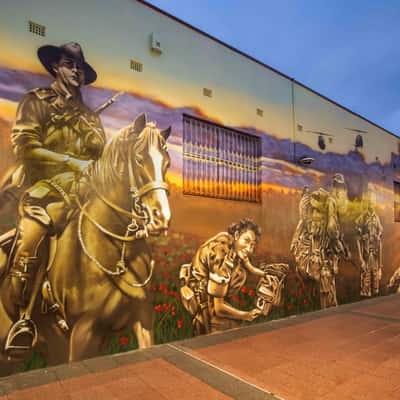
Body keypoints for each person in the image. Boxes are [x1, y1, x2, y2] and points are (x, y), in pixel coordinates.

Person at [5, 42, 106, 352]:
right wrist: (71, 161)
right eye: (68, 63)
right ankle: (23, 318)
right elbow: (24, 146)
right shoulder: (36, 101)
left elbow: (102, 158)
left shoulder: (90, 117)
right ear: (55, 67)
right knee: (33, 234)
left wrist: (96, 146)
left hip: (83, 194)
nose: (75, 71)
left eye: (79, 67)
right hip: (42, 190)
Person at [180, 218, 287, 334]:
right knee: (233, 330)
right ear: (237, 235)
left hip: (207, 291)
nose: (249, 249)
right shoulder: (222, 258)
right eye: (246, 240)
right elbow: (219, 309)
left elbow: (248, 266)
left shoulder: (230, 241)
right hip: (202, 299)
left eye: (252, 245)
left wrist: (266, 275)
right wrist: (246, 315)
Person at [291, 174, 350, 308]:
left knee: (324, 293)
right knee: (326, 293)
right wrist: (341, 250)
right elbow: (334, 238)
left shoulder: (325, 213)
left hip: (317, 261)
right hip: (320, 263)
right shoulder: (328, 213)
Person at [356, 188, 383, 297]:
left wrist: (380, 266)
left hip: (375, 256)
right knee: (365, 286)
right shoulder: (362, 218)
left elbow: (380, 241)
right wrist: (361, 259)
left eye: (373, 201)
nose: (371, 203)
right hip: (366, 257)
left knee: (375, 286)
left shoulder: (377, 219)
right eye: (369, 201)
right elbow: (358, 240)